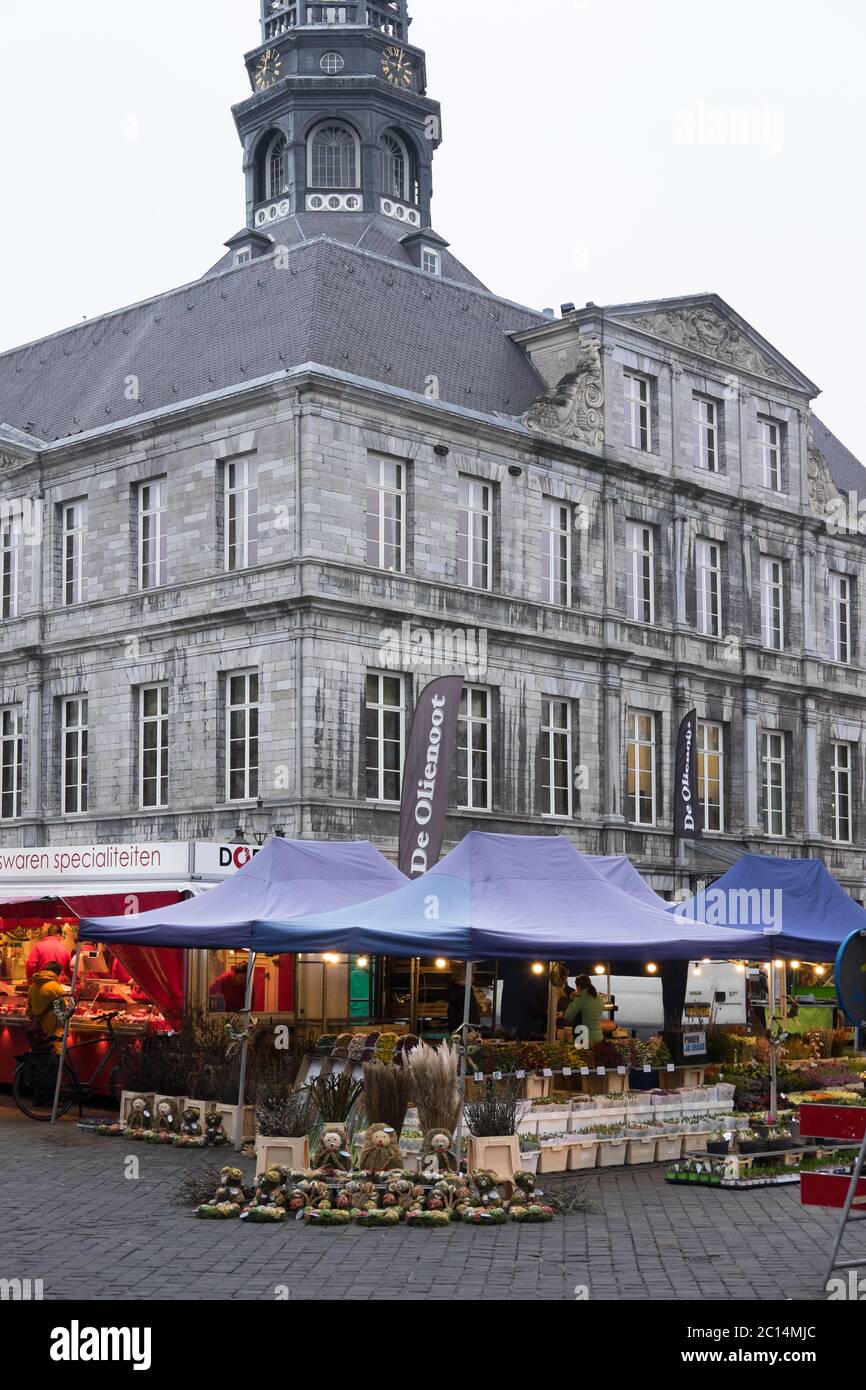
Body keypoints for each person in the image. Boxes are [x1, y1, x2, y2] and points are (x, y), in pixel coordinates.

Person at [26, 961, 68, 1054]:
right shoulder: (56, 987)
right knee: (53, 1063)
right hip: (52, 1034)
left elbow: (28, 1011)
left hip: (37, 1034)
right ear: (58, 973)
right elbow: (65, 1011)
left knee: (39, 1062)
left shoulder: (33, 986)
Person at [563, 974, 605, 1045]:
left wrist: (571, 1000)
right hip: (599, 1037)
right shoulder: (600, 999)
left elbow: (567, 1018)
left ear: (578, 986)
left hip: (583, 1039)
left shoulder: (580, 998)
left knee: (582, 1056)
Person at [446, 966, 480, 1034]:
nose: (473, 978)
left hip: (460, 1029)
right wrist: (472, 1030)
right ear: (464, 975)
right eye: (472, 974)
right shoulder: (463, 993)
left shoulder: (456, 990)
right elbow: (470, 1013)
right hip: (465, 1030)